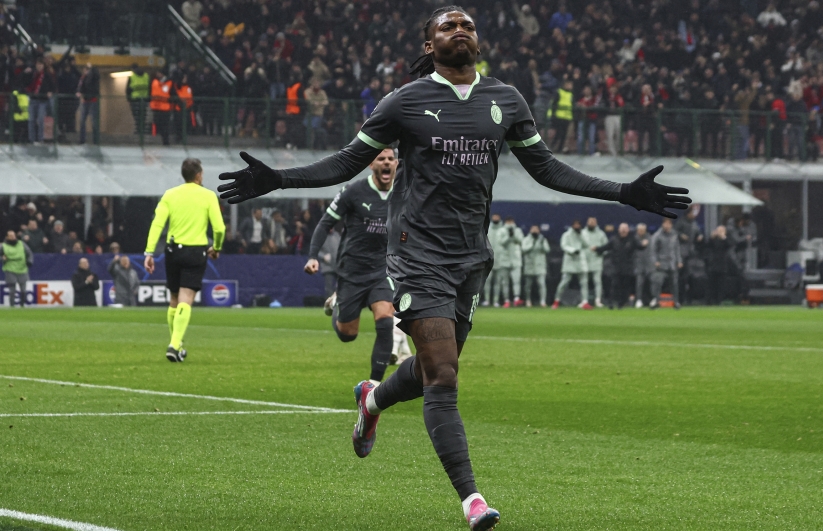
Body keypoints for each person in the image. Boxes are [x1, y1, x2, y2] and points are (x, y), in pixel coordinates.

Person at [216, 7, 689, 529]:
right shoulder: (405, 101)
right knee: (444, 374)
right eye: (447, 26)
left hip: (471, 258)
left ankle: (373, 401)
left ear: (478, 42)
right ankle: (472, 500)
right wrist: (278, 178)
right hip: (417, 255)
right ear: (429, 46)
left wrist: (623, 193)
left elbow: (548, 169)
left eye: (467, 25)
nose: (459, 30)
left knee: (425, 371)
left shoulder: (505, 100)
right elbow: (346, 161)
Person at [303, 148, 399, 385]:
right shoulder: (353, 191)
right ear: (371, 165)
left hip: (383, 269)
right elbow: (326, 223)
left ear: (396, 164)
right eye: (381, 159)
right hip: (352, 269)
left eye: (390, 159)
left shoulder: (404, 193)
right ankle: (336, 303)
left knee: (386, 320)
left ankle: (373, 387)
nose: (386, 163)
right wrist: (313, 255)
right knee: (348, 334)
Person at [144, 158, 225, 362]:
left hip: (173, 250)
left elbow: (157, 224)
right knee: (186, 299)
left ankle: (177, 345)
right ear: (198, 175)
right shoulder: (208, 196)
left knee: (174, 300)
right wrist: (216, 247)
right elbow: (219, 228)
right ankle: (174, 344)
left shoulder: (170, 195)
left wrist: (149, 252)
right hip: (196, 252)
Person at [552, 220, 590, 309]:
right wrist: (572, 250)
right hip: (569, 261)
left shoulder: (583, 234)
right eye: (575, 224)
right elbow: (563, 245)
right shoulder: (566, 234)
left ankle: (585, 302)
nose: (577, 226)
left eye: (578, 224)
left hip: (580, 261)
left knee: (584, 283)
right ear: (572, 225)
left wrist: (581, 235)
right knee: (564, 282)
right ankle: (556, 300)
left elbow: (586, 244)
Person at [595, 223, 635, 309]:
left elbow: (640, 246)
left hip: (627, 268)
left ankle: (622, 303)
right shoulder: (614, 239)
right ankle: (611, 303)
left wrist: (644, 245)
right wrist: (597, 249)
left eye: (625, 228)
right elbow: (606, 247)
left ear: (628, 230)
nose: (623, 230)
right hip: (616, 267)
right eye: (622, 228)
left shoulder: (632, 240)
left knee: (625, 287)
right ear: (619, 230)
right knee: (614, 285)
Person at [649, 219, 681, 309]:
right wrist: (655, 261)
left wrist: (679, 260)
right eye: (665, 224)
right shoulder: (657, 235)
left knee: (674, 283)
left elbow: (677, 248)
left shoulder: (674, 235)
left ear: (671, 225)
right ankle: (656, 300)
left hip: (672, 263)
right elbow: (653, 250)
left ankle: (676, 302)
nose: (667, 226)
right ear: (662, 224)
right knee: (658, 282)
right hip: (661, 263)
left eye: (669, 224)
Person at [674, 208, 703, 304]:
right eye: (692, 213)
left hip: (691, 252)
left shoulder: (694, 223)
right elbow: (675, 232)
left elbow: (698, 232)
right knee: (681, 276)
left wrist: (699, 236)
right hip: (682, 252)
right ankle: (680, 298)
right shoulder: (681, 222)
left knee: (690, 276)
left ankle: (689, 298)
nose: (693, 215)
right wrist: (681, 235)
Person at [2, 230, 33, 307]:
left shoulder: (21, 244)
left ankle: (22, 305)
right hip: (10, 269)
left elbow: (29, 253)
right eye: (11, 236)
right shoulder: (3, 246)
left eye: (14, 235)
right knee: (12, 290)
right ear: (7, 237)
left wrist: (29, 261)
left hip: (22, 269)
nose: (13, 237)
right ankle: (12, 307)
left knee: (23, 290)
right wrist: (2, 258)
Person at [521, 224, 550, 307]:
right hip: (529, 265)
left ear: (539, 230)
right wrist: (532, 244)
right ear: (530, 230)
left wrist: (541, 244)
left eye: (536, 229)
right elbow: (524, 249)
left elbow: (547, 250)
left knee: (541, 284)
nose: (534, 231)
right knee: (528, 285)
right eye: (533, 229)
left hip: (540, 265)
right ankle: (528, 300)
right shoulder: (526, 239)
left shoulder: (542, 239)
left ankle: (542, 301)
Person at [582, 216, 608, 308]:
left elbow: (606, 247)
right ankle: (584, 301)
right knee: (584, 282)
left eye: (593, 222)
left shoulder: (601, 234)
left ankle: (598, 300)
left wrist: (600, 252)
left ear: (596, 223)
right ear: (587, 222)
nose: (592, 223)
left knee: (597, 281)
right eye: (590, 222)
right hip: (584, 261)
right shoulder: (582, 233)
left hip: (597, 261)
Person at [704, 226, 733, 305]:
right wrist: (711, 237)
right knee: (711, 284)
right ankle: (709, 300)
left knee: (721, 285)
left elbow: (730, 245)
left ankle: (719, 300)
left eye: (721, 231)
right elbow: (707, 245)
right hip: (713, 265)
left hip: (723, 266)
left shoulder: (726, 240)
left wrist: (723, 237)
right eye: (718, 230)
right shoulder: (713, 240)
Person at [480, 214, 503, 307]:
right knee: (487, 281)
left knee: (498, 282)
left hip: (500, 260)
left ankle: (496, 300)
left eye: (497, 217)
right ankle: (487, 300)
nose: (495, 219)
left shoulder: (503, 230)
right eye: (494, 217)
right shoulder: (487, 229)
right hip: (488, 259)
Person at [76, 63, 100, 145]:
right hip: (85, 101)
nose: (86, 72)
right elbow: (80, 87)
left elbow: (97, 75)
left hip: (93, 101)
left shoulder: (93, 77)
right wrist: (79, 92)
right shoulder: (83, 78)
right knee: (82, 121)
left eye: (87, 70)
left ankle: (96, 140)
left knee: (94, 122)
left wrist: (92, 68)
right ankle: (82, 140)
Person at [503, 217, 524, 307]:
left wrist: (513, 235)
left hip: (516, 259)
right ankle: (506, 300)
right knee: (505, 282)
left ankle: (516, 299)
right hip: (504, 259)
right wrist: (509, 236)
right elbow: (502, 242)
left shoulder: (518, 230)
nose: (510, 223)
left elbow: (521, 241)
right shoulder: (502, 231)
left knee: (516, 280)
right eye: (508, 222)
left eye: (511, 222)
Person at [126, 64, 151, 136]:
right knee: (143, 115)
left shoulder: (132, 77)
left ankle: (139, 130)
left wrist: (129, 99)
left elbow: (128, 89)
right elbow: (149, 87)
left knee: (137, 116)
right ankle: (141, 130)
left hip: (135, 99)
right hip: (144, 99)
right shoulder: (146, 76)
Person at [633, 223, 652, 307]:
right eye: (639, 230)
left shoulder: (650, 238)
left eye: (643, 230)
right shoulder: (634, 239)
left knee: (650, 283)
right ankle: (638, 300)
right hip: (638, 264)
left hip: (649, 264)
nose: (641, 232)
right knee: (639, 283)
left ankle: (650, 300)